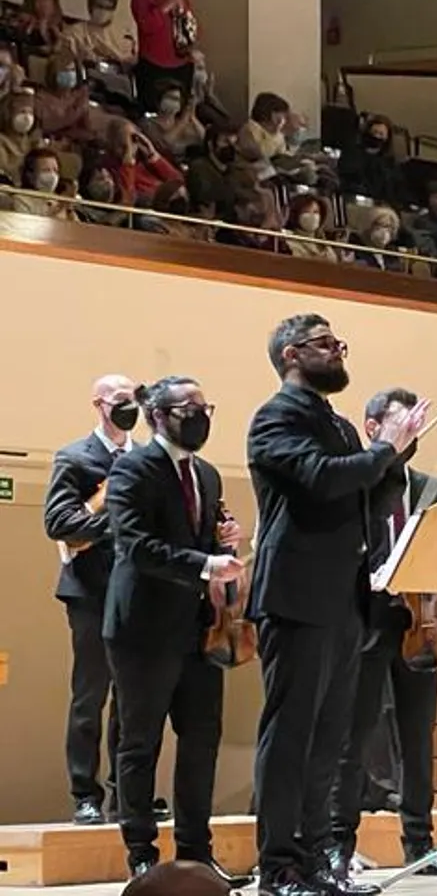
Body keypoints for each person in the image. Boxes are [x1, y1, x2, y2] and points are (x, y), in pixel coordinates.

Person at [247, 314, 427, 896]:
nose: (338, 352)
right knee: (291, 735)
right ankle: (278, 868)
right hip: (295, 594)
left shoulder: (340, 423)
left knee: (330, 739)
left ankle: (319, 862)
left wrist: (398, 456)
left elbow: (371, 500)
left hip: (344, 598)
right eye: (327, 344)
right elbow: (321, 480)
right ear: (293, 354)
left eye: (339, 343)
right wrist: (382, 449)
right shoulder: (275, 417)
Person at [103, 376, 250, 887]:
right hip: (141, 628)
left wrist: (223, 539)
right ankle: (141, 854)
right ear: (159, 415)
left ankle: (194, 854)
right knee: (140, 743)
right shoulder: (132, 469)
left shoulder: (208, 474)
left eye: (205, 405)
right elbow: (136, 547)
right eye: (189, 407)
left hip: (198, 630)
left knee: (201, 740)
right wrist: (205, 562)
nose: (201, 415)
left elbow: (201, 535)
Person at [324, 389, 437, 879]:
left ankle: (419, 843)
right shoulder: (356, 483)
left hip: (421, 623)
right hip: (367, 619)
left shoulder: (435, 489)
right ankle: (338, 845)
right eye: (403, 422)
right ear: (372, 427)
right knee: (354, 737)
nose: (413, 431)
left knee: (418, 738)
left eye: (417, 423)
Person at [44, 375, 142, 827]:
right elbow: (60, 521)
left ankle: (129, 794)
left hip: (138, 592)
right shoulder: (76, 457)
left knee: (133, 700)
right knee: (90, 696)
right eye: (122, 400)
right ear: (99, 405)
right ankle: (85, 793)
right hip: (90, 591)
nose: (130, 407)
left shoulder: (144, 458)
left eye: (135, 399)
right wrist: (115, 521)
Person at [130, 0, 198, 113]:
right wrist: (168, 3)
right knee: (153, 110)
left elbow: (189, 25)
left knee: (180, 109)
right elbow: (147, 26)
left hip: (181, 62)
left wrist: (191, 48)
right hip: (154, 63)